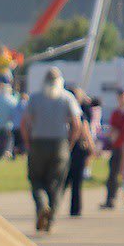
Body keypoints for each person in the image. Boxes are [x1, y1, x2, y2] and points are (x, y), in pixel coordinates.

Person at [21, 67, 81, 231]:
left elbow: (25, 123)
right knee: (56, 183)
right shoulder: (67, 98)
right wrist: (70, 143)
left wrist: (27, 142)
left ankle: (42, 206)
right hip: (60, 143)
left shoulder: (35, 98)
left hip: (38, 143)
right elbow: (77, 124)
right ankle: (51, 217)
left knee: (36, 179)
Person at [65, 90, 101, 217]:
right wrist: (92, 149)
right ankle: (75, 209)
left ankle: (53, 205)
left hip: (66, 148)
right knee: (76, 182)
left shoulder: (65, 112)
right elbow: (85, 131)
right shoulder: (79, 113)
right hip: (78, 149)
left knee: (63, 181)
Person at [0, 76, 20, 157]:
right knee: (7, 145)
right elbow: (15, 114)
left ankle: (0, 155)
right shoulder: (12, 99)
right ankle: (6, 154)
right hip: (8, 126)